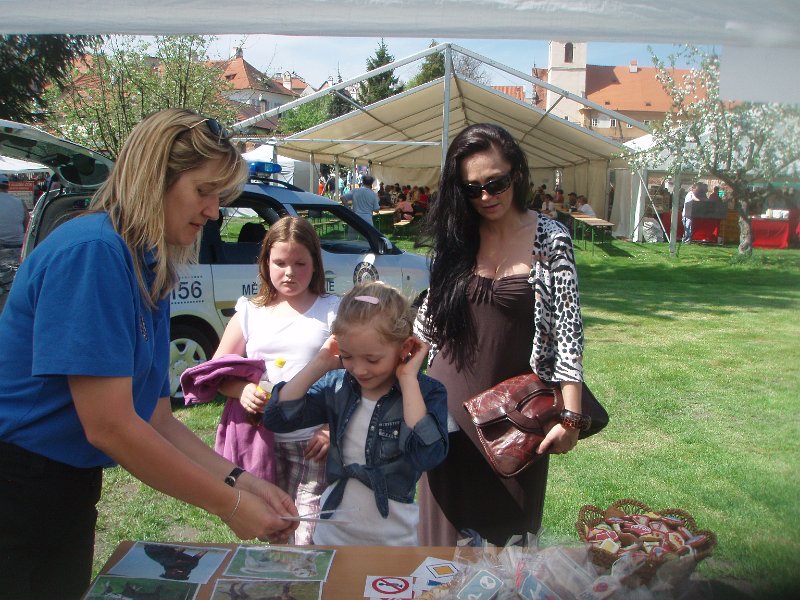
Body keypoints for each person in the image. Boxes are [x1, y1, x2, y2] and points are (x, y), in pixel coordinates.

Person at [0, 108, 298, 600]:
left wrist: (241, 479)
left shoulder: (148, 266)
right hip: (18, 486)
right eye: (203, 191)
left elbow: (156, 419)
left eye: (219, 196)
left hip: (64, 485)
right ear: (152, 179)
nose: (213, 212)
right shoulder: (93, 253)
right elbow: (112, 426)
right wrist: (229, 504)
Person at [414, 123, 589, 546]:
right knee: (441, 547)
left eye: (496, 183)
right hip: (445, 413)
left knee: (507, 547)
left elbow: (567, 329)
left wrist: (571, 416)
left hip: (515, 416)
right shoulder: (457, 236)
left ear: (517, 173)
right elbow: (427, 324)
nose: (486, 197)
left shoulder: (549, 237)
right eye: (472, 188)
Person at [264, 282, 449, 546]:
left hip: (394, 541)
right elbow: (278, 418)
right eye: (348, 356)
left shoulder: (426, 393)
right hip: (332, 536)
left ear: (405, 347)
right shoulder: (337, 385)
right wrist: (320, 363)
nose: (359, 370)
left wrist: (408, 379)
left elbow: (428, 454)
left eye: (372, 359)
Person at [212, 216, 339, 545]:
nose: (290, 272)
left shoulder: (331, 310)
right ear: (265, 262)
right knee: (276, 531)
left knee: (308, 534)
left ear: (315, 264)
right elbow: (216, 373)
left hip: (312, 443)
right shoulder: (250, 311)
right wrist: (243, 390)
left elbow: (357, 377)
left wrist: (331, 427)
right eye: (280, 262)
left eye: (300, 263)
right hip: (261, 442)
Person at [0, 173, 30, 312]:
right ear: (7, 186)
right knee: (11, 289)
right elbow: (27, 226)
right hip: (16, 250)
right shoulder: (19, 202)